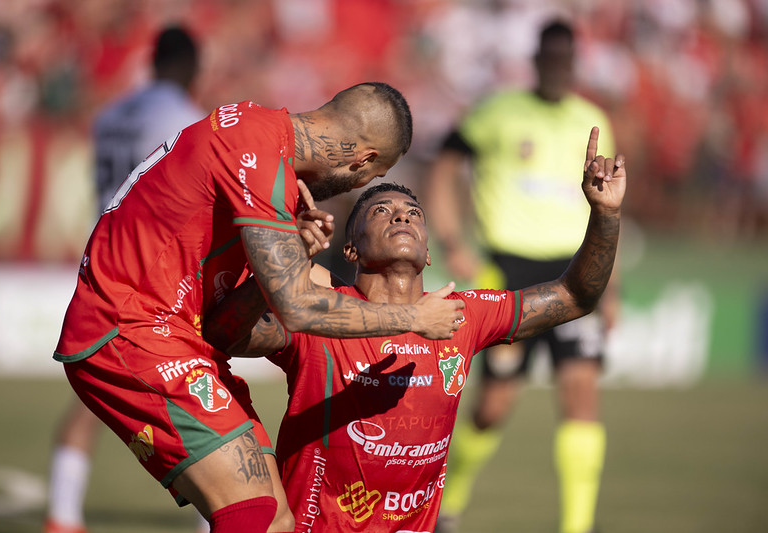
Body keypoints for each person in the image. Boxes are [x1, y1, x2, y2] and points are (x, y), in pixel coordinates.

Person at [52, 80, 465, 533]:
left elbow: (225, 323)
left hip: (174, 335)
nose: (363, 185)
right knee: (252, 510)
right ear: (363, 160)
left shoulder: (262, 141)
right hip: (130, 325)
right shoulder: (259, 154)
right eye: (371, 176)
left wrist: (294, 251)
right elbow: (298, 309)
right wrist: (415, 318)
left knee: (275, 520)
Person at [203, 127, 625, 532]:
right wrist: (281, 265)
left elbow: (575, 296)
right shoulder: (320, 313)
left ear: (427, 254)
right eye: (381, 211)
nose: (401, 215)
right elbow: (228, 335)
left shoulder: (463, 315)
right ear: (351, 249)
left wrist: (606, 215)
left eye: (414, 214)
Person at [427, 20, 619, 533]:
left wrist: (611, 286)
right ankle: (451, 502)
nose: (557, 67)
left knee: (581, 392)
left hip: (576, 268)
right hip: (509, 270)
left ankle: (577, 527)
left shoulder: (592, 118)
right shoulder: (498, 112)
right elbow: (443, 167)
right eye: (549, 58)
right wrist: (451, 241)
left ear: (575, 64)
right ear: (535, 60)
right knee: (494, 404)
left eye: (566, 59)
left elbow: (607, 207)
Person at [45, 26, 206, 533]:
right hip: (155, 270)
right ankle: (223, 514)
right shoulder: (179, 117)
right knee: (199, 389)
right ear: (191, 67)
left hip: (103, 261)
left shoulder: (111, 114)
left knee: (92, 390)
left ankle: (62, 514)